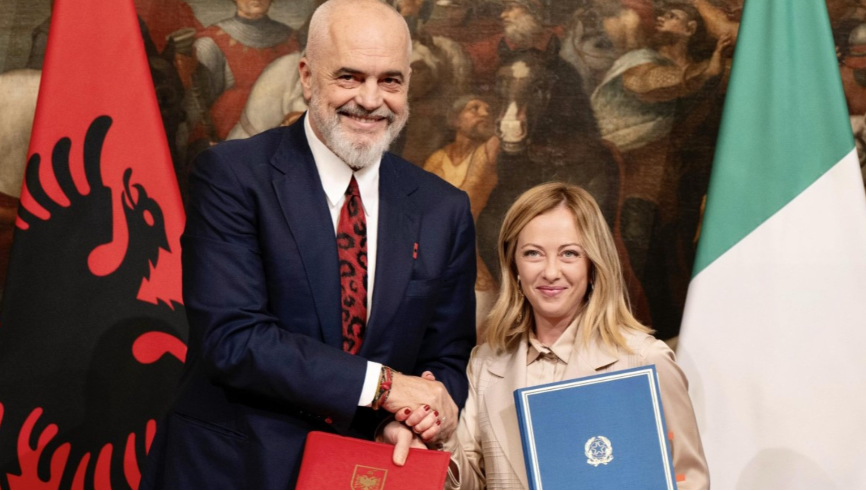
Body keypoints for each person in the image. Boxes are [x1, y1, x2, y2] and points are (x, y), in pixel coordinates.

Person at [141, 0, 476, 488]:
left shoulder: (443, 208)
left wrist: (417, 417)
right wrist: (384, 388)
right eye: (349, 77)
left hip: (365, 473)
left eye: (390, 81)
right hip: (235, 470)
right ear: (306, 76)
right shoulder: (232, 176)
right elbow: (234, 338)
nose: (370, 100)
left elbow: (446, 354)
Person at [399, 182, 709, 489]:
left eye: (569, 254)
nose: (550, 272)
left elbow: (689, 482)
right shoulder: (485, 363)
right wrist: (440, 438)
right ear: (514, 265)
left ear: (593, 264)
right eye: (533, 253)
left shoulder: (644, 360)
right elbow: (471, 484)